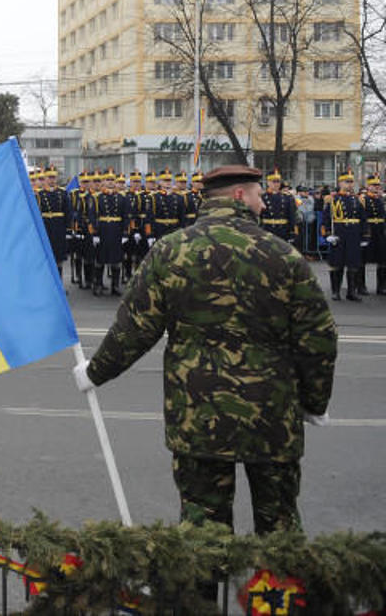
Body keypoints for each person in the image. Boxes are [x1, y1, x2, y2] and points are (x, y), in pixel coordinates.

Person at [74, 164, 336, 543]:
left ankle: (203, 600)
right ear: (239, 196)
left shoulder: (171, 252)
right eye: (259, 196)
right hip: (272, 418)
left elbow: (134, 329)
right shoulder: (284, 256)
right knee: (279, 534)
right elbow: (318, 339)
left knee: (202, 540)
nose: (264, 205)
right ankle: (277, 598)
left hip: (199, 418)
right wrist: (314, 402)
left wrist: (94, 372)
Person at [322, 169, 366, 301]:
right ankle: (335, 291)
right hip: (339, 233)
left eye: (351, 182)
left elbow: (363, 218)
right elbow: (326, 218)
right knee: (337, 262)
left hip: (353, 234)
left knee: (353, 263)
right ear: (340, 183)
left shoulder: (357, 199)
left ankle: (351, 292)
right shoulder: (332, 199)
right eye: (347, 182)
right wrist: (328, 234)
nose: (350, 184)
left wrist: (364, 236)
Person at [363, 175, 386, 294]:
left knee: (383, 260)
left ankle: (381, 286)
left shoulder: (381, 199)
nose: (377, 187)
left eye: (378, 185)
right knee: (363, 259)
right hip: (369, 230)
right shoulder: (364, 199)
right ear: (368, 186)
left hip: (380, 231)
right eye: (374, 185)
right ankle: (361, 286)